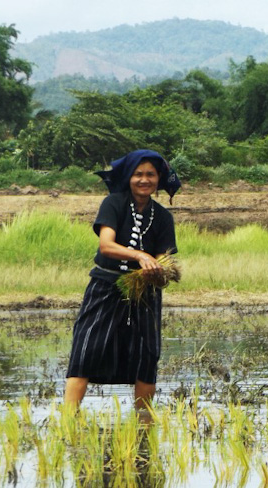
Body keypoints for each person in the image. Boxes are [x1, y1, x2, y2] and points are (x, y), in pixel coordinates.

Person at [65, 149, 181, 410]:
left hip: (145, 292)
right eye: (138, 174)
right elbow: (106, 245)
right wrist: (140, 255)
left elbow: (163, 267)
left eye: (150, 174)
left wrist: (157, 274)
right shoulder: (114, 203)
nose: (144, 180)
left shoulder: (163, 217)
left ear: (159, 179)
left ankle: (143, 421)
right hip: (106, 285)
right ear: (128, 176)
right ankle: (68, 419)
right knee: (86, 348)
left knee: (147, 355)